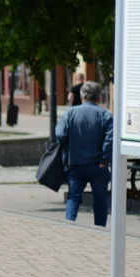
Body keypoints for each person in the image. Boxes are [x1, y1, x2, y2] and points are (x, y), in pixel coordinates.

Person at [56, 80, 113, 227]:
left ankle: (69, 225)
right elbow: (110, 139)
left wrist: (69, 148)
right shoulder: (106, 115)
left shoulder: (71, 113)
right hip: (98, 165)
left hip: (75, 163)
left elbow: (60, 134)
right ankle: (99, 229)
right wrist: (104, 160)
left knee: (73, 197)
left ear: (81, 96)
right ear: (99, 97)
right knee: (100, 200)